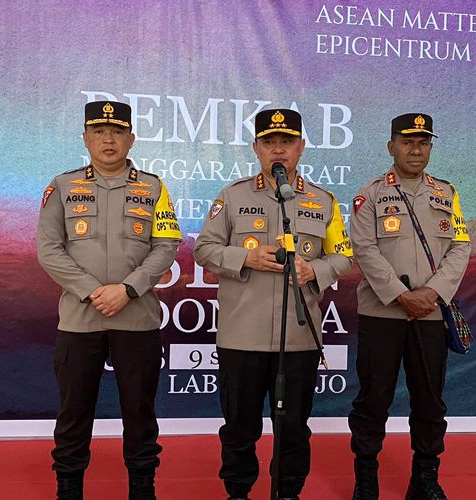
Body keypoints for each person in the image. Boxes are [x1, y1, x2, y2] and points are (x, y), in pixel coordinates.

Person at [194, 108, 353, 500]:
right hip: (241, 336)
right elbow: (203, 249)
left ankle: (287, 493)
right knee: (239, 428)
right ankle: (238, 493)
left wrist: (313, 270)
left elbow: (345, 256)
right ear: (256, 149)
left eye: (286, 142)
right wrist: (243, 258)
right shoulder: (232, 196)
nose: (278, 150)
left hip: (298, 338)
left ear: (300, 148)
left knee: (294, 427)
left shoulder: (324, 201)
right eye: (269, 142)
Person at [37, 101, 182, 500]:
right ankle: (68, 489)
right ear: (86, 139)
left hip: (136, 318)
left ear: (131, 139)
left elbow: (166, 245)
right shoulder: (63, 187)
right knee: (73, 414)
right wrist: (90, 290)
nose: (108, 139)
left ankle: (142, 489)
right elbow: (48, 249)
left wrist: (128, 289)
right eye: (99, 132)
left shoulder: (153, 187)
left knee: (140, 414)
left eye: (117, 132)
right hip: (79, 319)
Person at [347, 113, 471, 500]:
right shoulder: (370, 194)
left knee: (430, 400)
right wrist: (402, 296)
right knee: (373, 399)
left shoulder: (447, 194)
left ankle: (424, 480)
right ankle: (366, 480)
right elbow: (364, 250)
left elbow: (461, 246)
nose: (416, 150)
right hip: (382, 313)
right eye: (407, 142)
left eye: (423, 143)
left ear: (430, 148)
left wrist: (432, 293)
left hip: (431, 314)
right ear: (391, 147)